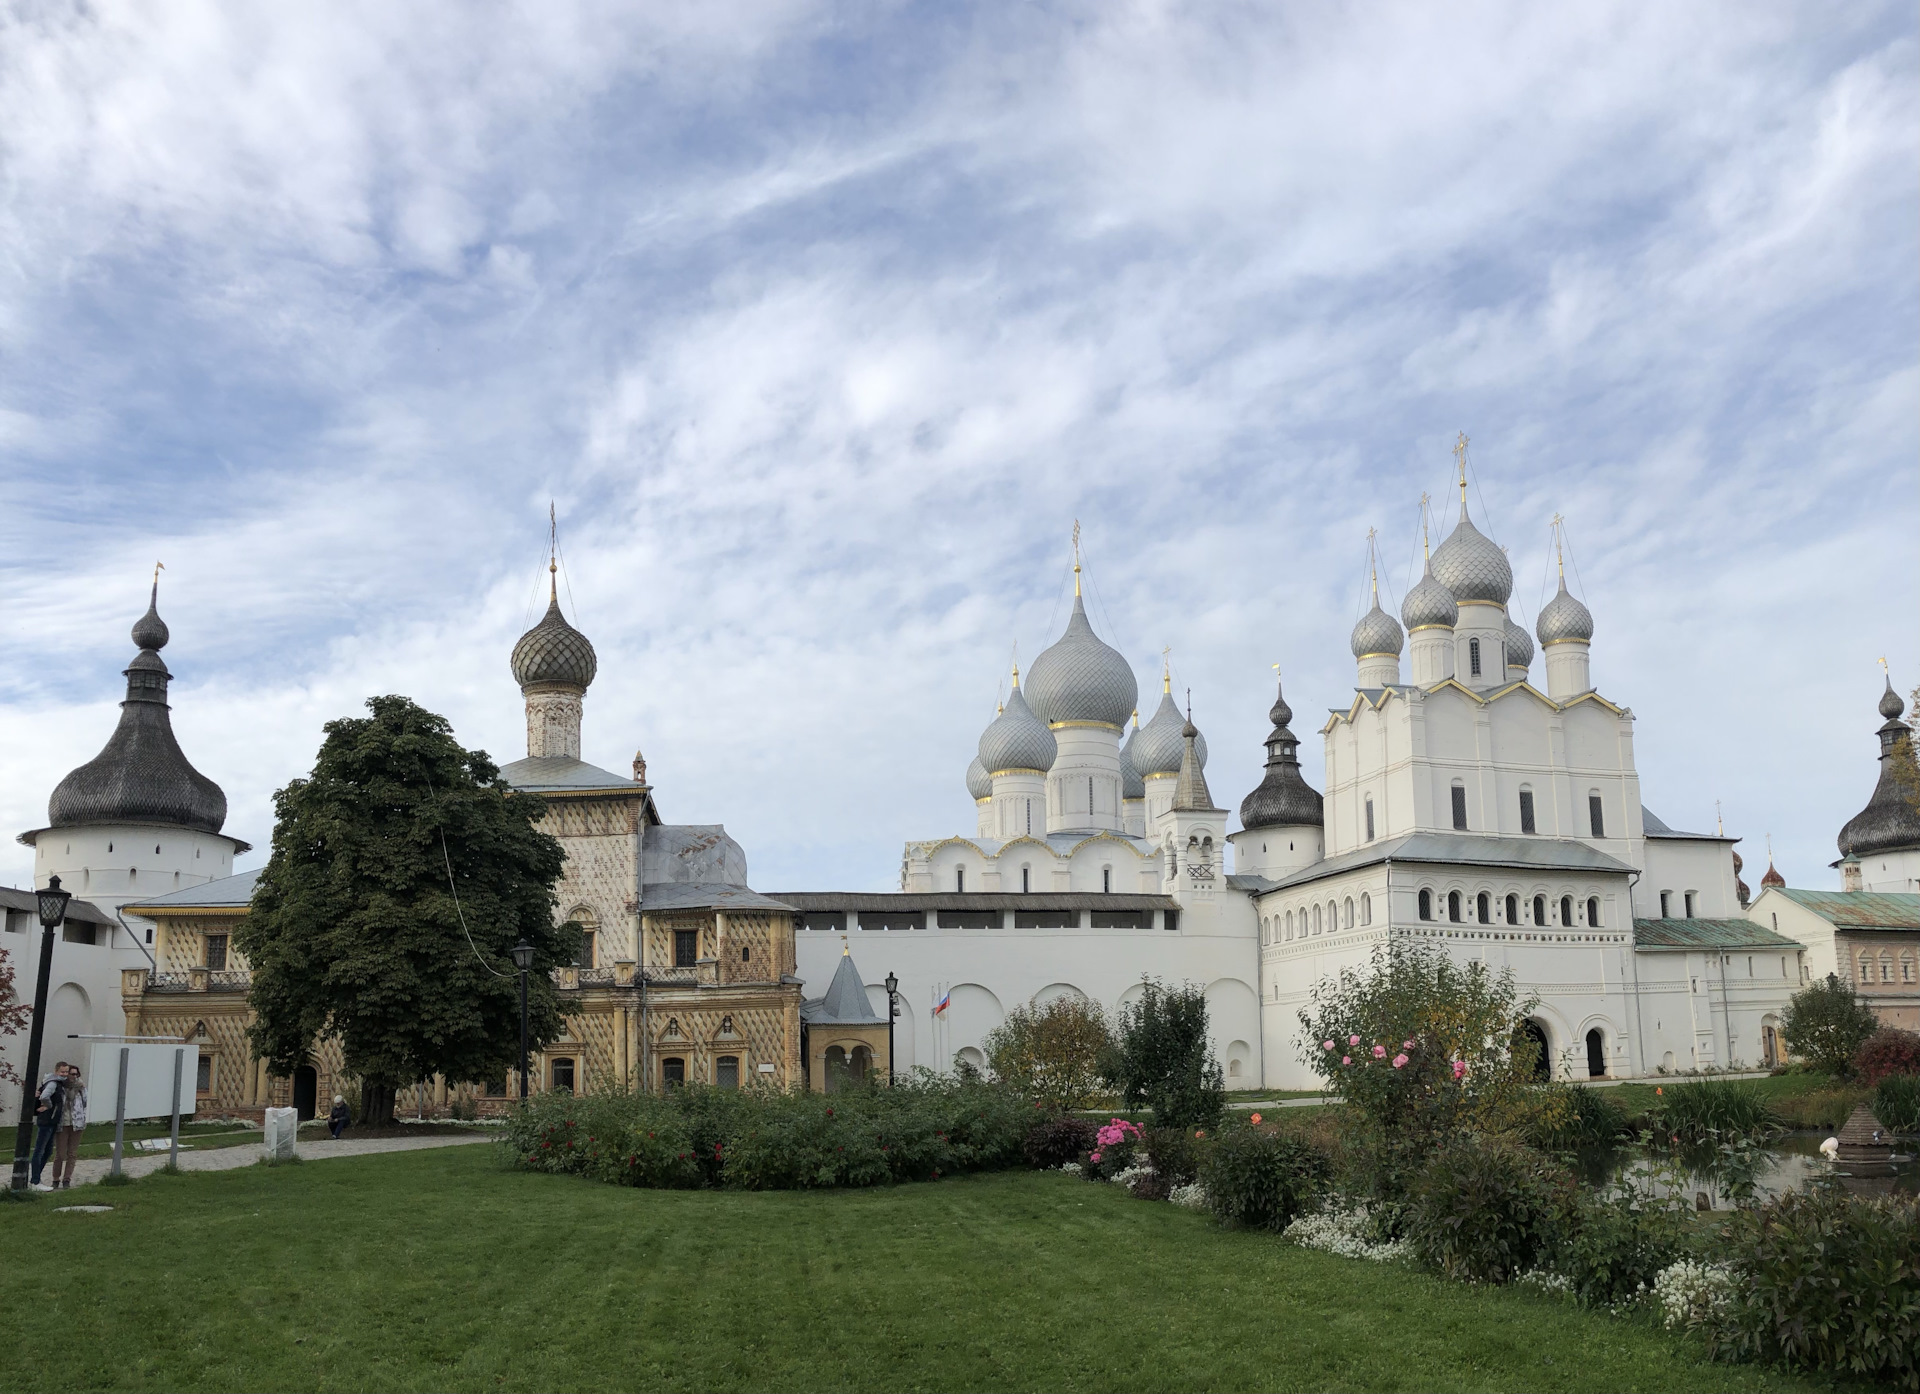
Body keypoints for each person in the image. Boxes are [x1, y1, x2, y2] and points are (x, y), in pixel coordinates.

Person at [29, 1062, 67, 1189]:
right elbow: (45, 1096)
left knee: (48, 1150)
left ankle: (35, 1178)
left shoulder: (59, 1084)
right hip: (47, 1121)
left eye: (66, 1072)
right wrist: (48, 1106)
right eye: (62, 1072)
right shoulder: (53, 1083)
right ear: (56, 1071)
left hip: (52, 1121)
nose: (65, 1074)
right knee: (40, 1150)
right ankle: (35, 1181)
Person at [51, 1066, 87, 1189]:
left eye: (76, 1074)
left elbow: (85, 1102)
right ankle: (56, 1178)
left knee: (72, 1153)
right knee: (60, 1154)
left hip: (76, 1123)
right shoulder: (61, 1087)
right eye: (72, 1074)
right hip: (62, 1123)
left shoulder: (80, 1087)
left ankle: (67, 1179)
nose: (74, 1077)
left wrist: (81, 1089)